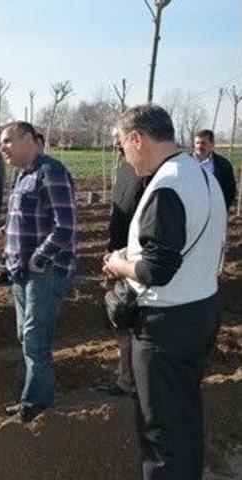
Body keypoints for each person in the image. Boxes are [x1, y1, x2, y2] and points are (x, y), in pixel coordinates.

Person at [104, 105, 225, 479]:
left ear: (137, 139)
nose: (123, 154)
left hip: (165, 326)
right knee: (183, 419)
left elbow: (158, 270)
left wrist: (117, 263)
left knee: (159, 432)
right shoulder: (199, 174)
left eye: (122, 145)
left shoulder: (167, 185)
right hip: (200, 310)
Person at [0, 121, 77, 424]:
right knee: (25, 337)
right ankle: (32, 397)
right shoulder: (21, 175)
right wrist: (3, 233)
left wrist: (39, 259)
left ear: (29, 139)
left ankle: (35, 407)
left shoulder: (51, 172)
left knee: (36, 339)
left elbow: (65, 227)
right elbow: (24, 218)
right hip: (20, 271)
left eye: (8, 141)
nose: (2, 148)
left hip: (44, 272)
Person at [98, 150, 150, 398]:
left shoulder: (148, 173)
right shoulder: (126, 169)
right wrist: (111, 251)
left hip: (134, 259)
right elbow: (119, 217)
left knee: (130, 319)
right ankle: (126, 376)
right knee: (119, 317)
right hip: (118, 256)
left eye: (120, 138)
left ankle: (134, 380)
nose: (116, 143)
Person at [192, 129, 237, 211]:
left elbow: (230, 189)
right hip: (191, 210)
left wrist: (222, 207)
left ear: (212, 144)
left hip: (215, 211)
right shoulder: (186, 162)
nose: (199, 146)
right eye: (197, 143)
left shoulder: (223, 164)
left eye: (203, 143)